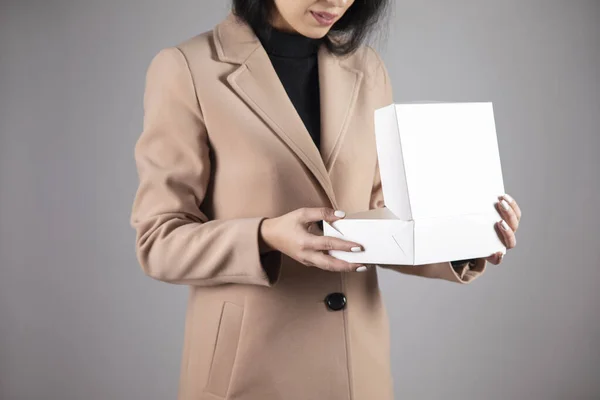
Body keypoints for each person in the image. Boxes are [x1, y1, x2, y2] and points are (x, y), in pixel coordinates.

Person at [130, 0, 522, 399]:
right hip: (247, 370)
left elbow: (382, 214)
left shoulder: (366, 68)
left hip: (356, 367)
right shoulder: (187, 68)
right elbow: (158, 241)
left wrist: (464, 239)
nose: (337, 1)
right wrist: (265, 236)